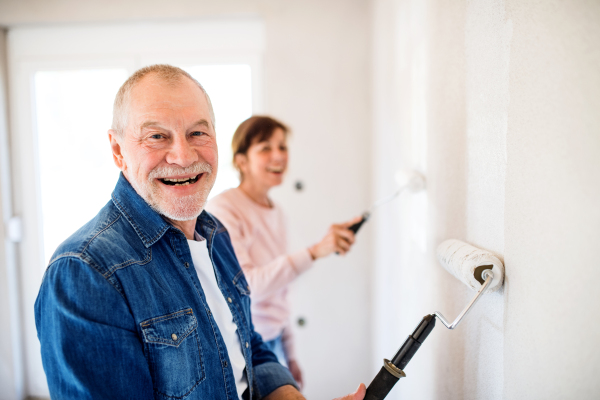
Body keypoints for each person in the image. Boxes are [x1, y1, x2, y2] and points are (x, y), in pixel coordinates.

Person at [34, 64, 365, 400]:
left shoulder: (215, 234)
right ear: (118, 150)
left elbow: (245, 343)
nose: (183, 156)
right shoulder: (84, 272)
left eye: (197, 133)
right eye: (157, 136)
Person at [206, 116, 360, 389]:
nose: (278, 155)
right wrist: (314, 252)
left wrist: (290, 356)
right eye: (265, 148)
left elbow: (280, 290)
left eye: (282, 147)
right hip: (244, 346)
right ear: (241, 161)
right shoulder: (224, 209)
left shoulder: (277, 211)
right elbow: (248, 286)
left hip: (273, 342)